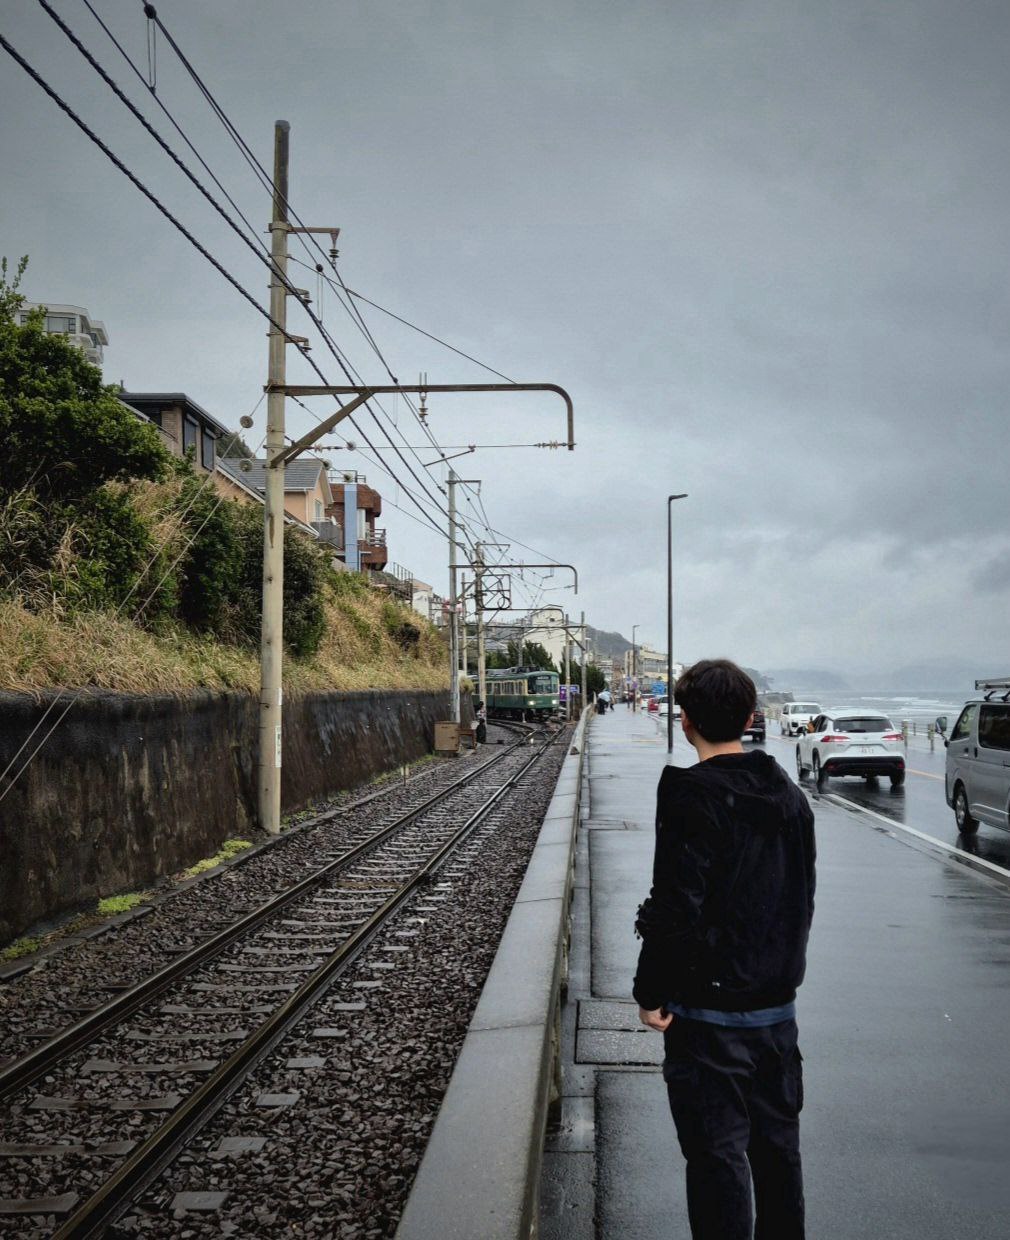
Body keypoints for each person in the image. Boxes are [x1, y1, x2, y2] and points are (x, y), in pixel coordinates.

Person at [633, 658, 816, 1240]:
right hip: (777, 1017)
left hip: (709, 1021)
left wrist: (651, 992)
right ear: (748, 718)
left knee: (717, 1164)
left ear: (685, 722)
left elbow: (674, 906)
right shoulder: (790, 797)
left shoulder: (693, 797)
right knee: (778, 1160)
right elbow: (801, 896)